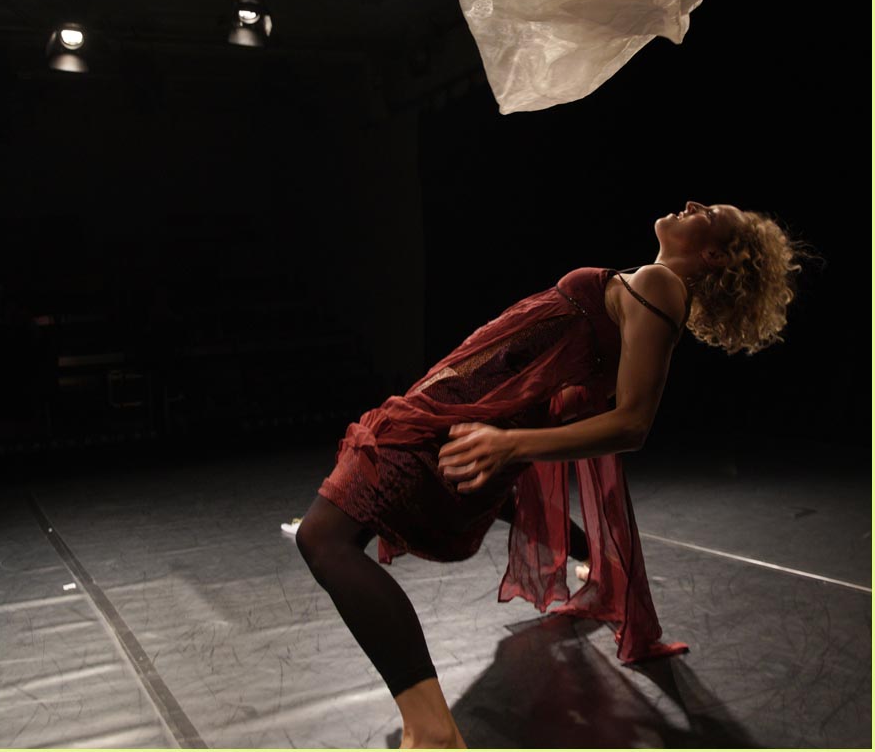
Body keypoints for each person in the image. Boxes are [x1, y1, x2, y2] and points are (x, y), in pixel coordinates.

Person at [295, 202, 803, 749]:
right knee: (391, 524)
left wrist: (508, 442)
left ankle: (432, 732)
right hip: (462, 409)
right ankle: (593, 564)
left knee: (324, 538)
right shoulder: (647, 286)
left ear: (714, 254)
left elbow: (632, 423)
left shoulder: (659, 285)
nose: (695, 204)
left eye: (711, 213)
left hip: (469, 420)